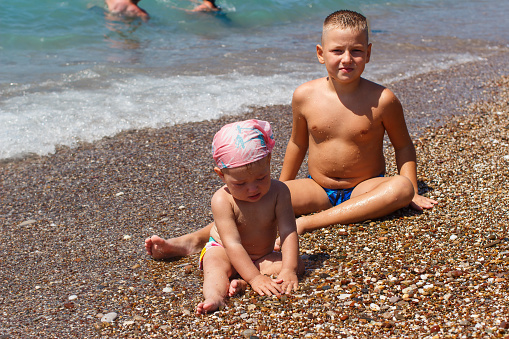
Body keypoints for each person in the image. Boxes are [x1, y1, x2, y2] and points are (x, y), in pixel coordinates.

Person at [145, 9, 437, 259]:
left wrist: (411, 186)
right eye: (337, 51)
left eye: (356, 51)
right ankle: (194, 240)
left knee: (400, 189)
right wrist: (278, 189)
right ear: (321, 54)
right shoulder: (305, 96)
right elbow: (298, 143)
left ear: (369, 53)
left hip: (365, 187)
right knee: (251, 199)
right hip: (317, 187)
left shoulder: (383, 99)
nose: (347, 58)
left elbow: (403, 146)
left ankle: (309, 223)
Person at [160, 119, 302, 314]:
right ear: (221, 175)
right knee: (215, 268)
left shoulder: (279, 192)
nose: (253, 188)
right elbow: (232, 244)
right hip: (224, 251)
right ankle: (215, 296)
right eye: (240, 183)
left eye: (261, 178)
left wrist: (289, 269)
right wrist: (255, 278)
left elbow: (288, 231)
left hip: (261, 256)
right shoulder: (222, 200)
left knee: (298, 265)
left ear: (269, 161)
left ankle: (241, 282)